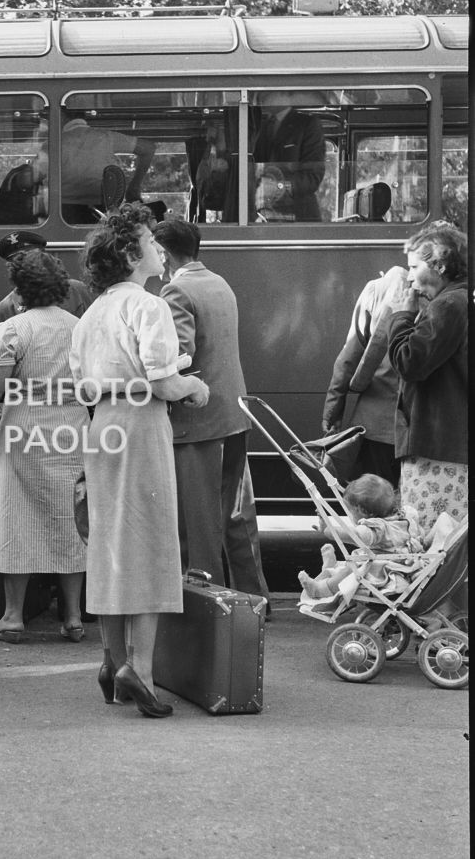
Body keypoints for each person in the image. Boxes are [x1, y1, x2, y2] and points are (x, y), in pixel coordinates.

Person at [69, 202, 209, 718]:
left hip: (102, 425)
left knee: (108, 541)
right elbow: (163, 381)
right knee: (150, 541)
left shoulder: (91, 314)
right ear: (131, 253)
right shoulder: (148, 307)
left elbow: (82, 384)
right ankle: (140, 670)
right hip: (142, 423)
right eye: (151, 241)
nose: (157, 248)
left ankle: (110, 661)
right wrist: (194, 386)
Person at [0, 249, 88, 644]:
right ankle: (74, 616)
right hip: (75, 429)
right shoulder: (81, 327)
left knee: (16, 519)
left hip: (24, 431)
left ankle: (12, 617)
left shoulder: (13, 329)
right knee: (71, 517)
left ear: (19, 287)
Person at [154, 220, 269, 602]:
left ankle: (213, 605)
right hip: (234, 415)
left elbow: (181, 356)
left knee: (199, 523)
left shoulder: (176, 289)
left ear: (165, 252)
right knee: (237, 516)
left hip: (197, 421)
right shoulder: (218, 282)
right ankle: (253, 600)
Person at [385, 221, 468, 532]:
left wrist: (401, 316)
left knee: (432, 541)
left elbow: (409, 362)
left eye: (414, 266)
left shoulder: (448, 305)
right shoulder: (458, 300)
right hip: (451, 447)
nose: (408, 276)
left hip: (438, 451)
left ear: (440, 264)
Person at [321, 266, 410, 487]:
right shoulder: (440, 294)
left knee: (375, 501)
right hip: (419, 428)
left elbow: (349, 357)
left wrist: (333, 412)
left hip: (375, 424)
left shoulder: (377, 290)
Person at [297, 473, 423, 614]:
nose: (350, 515)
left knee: (353, 569)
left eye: (351, 511)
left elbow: (355, 536)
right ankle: (330, 569)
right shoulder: (405, 515)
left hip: (386, 570)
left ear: (362, 511)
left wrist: (328, 531)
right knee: (356, 562)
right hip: (401, 562)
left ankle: (321, 589)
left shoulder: (377, 529)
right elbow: (419, 534)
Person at [35, 118, 157, 224]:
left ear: (60, 118)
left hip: (64, 212)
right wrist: (134, 185)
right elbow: (148, 148)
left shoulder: (53, 145)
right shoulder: (106, 137)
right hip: (103, 209)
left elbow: (35, 175)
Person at [0, 230, 95, 333]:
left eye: (33, 257)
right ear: (12, 268)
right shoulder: (2, 311)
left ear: (45, 257)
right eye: (19, 260)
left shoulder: (78, 290)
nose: (28, 264)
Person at [251, 95, 326, 222]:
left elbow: (313, 176)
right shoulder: (261, 127)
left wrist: (280, 186)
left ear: (284, 91)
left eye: (267, 90)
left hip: (299, 217)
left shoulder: (307, 124)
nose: (261, 96)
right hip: (265, 216)